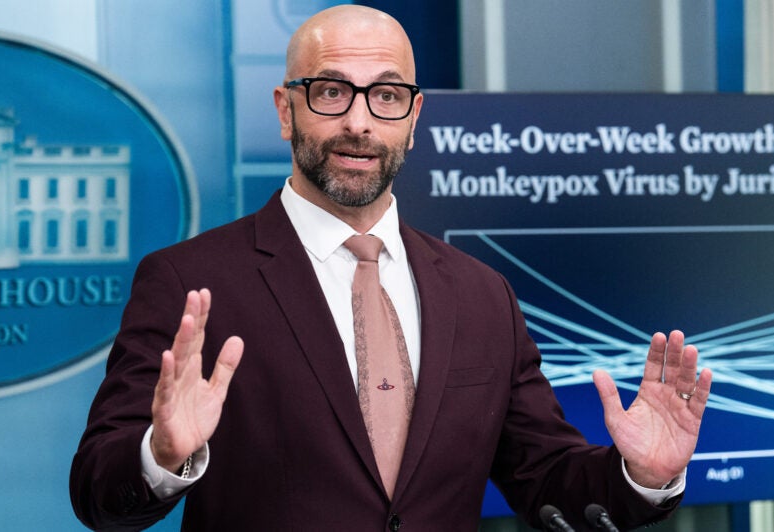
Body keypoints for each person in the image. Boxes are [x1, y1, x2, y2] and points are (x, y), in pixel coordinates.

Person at [69, 5, 712, 530]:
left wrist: (645, 478)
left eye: (386, 95)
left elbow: (544, 480)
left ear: (414, 116)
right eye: (330, 91)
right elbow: (98, 493)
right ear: (285, 109)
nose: (358, 121)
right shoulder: (190, 283)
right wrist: (161, 457)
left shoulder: (481, 294)